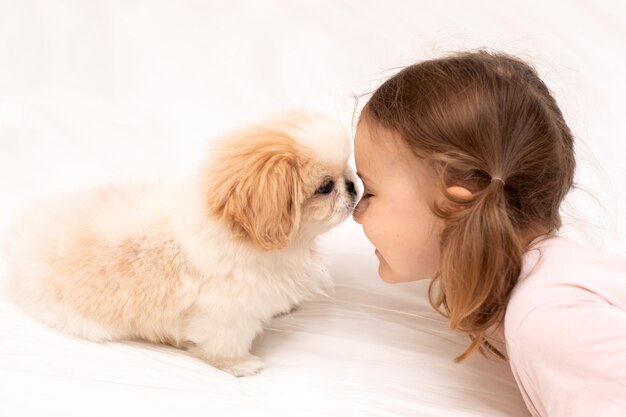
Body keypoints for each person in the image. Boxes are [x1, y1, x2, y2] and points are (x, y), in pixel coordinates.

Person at [352, 50, 626, 417]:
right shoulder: (548, 288)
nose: (356, 213)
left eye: (370, 192)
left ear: (454, 203)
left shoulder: (547, 320)